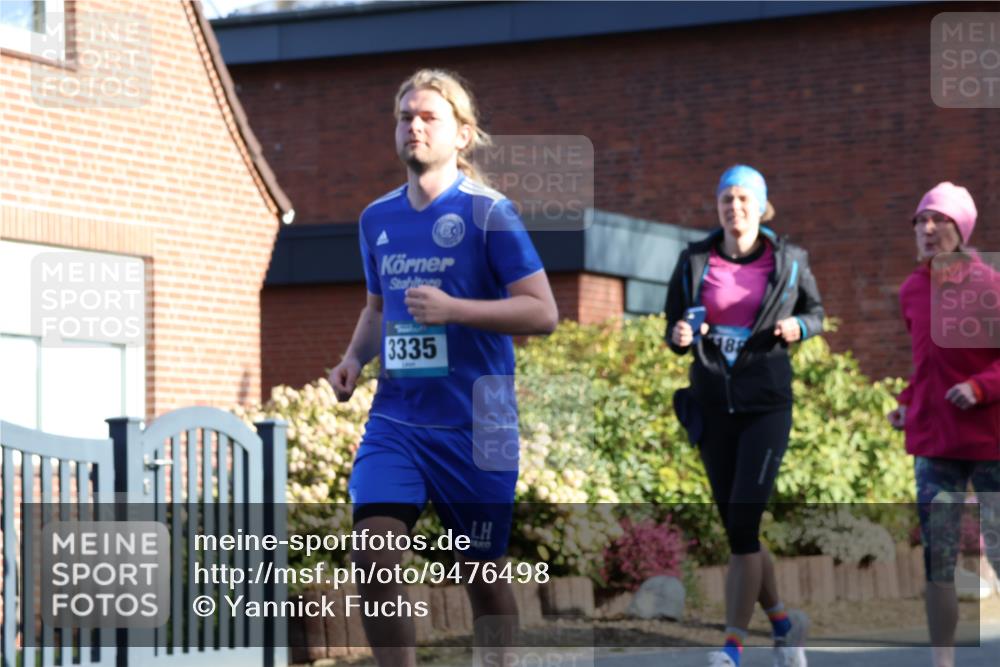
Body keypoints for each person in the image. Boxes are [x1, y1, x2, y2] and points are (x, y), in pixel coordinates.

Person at [328, 68, 558, 666]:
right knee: (374, 551)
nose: (414, 126)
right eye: (406, 117)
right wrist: (355, 358)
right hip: (398, 421)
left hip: (477, 425)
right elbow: (378, 308)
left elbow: (543, 312)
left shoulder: (490, 214)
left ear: (462, 134)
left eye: (429, 117)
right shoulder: (376, 219)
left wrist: (455, 309)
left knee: (481, 575)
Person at [665, 165, 824, 667]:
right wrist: (680, 336)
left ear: (761, 206)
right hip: (713, 404)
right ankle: (782, 623)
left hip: (766, 405)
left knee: (742, 519)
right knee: (741, 531)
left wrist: (799, 325)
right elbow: (671, 321)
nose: (734, 208)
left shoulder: (789, 261)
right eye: (726, 200)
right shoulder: (694, 259)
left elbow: (817, 313)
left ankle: (732, 646)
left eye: (743, 200)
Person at [887, 182, 1000, 667]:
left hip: (990, 439)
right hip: (934, 442)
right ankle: (943, 662)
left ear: (961, 230)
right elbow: (927, 366)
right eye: (921, 220)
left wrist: (979, 388)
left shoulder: (990, 287)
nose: (928, 229)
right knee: (938, 562)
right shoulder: (911, 290)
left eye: (940, 220)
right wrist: (907, 403)